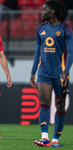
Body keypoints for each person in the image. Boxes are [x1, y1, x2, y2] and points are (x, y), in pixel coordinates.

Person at [30, 0, 73, 147]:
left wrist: (66, 71)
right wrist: (32, 73)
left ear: (52, 11)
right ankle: (45, 138)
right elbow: (37, 52)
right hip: (43, 73)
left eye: (44, 9)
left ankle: (56, 139)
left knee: (60, 105)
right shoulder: (40, 29)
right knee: (44, 102)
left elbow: (71, 52)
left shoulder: (65, 28)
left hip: (60, 73)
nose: (41, 12)